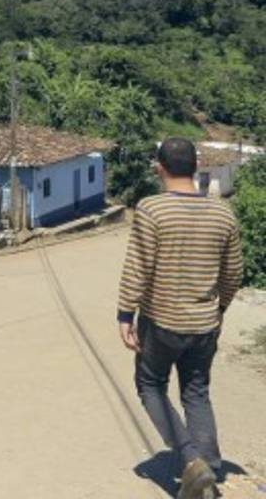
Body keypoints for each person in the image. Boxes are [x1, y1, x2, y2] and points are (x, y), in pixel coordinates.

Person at [117, 137, 244, 499]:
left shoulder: (151, 209)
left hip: (161, 322)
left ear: (159, 168)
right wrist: (219, 308)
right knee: (196, 391)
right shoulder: (223, 213)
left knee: (150, 385)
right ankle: (210, 467)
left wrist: (125, 314)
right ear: (196, 166)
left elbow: (138, 267)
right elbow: (233, 273)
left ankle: (192, 462)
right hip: (205, 325)